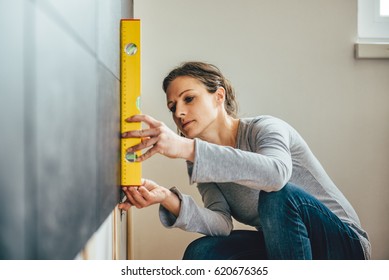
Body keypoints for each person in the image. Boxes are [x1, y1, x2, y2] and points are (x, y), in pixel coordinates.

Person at [118, 61, 371, 260]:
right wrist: (167, 198)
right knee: (203, 252)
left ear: (219, 96)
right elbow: (221, 223)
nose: (179, 113)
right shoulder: (199, 159)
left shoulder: (266, 128)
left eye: (189, 99)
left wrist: (187, 147)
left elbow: (276, 175)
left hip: (343, 246)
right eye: (172, 107)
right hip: (286, 249)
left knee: (276, 195)